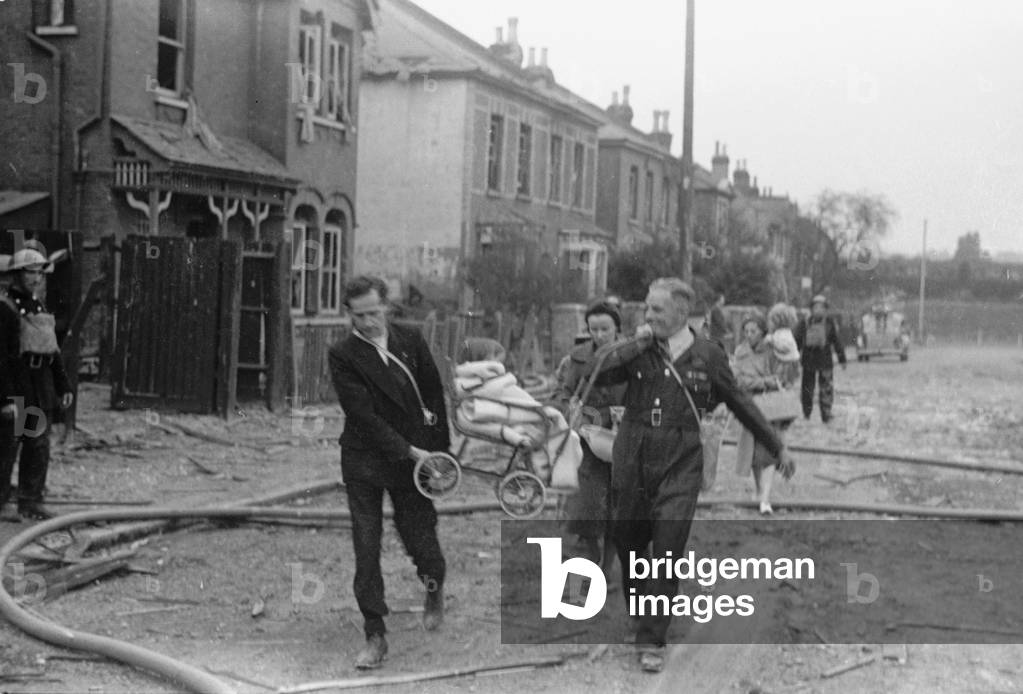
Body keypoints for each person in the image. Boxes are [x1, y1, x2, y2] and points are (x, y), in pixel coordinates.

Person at [585, 277, 794, 673]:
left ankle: (651, 639)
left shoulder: (708, 354)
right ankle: (641, 612)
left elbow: (740, 402)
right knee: (631, 545)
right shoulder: (636, 350)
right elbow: (598, 371)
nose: (649, 315)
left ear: (682, 312)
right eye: (647, 308)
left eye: (657, 309)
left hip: (680, 459)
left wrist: (777, 445)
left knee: (666, 549)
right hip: (633, 456)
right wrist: (632, 342)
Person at [327, 276, 450, 670]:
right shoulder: (343, 354)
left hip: (414, 460)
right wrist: (410, 450)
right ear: (349, 314)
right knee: (366, 545)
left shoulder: (410, 341)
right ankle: (375, 633)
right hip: (366, 458)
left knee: (421, 537)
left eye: (374, 313)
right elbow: (362, 415)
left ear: (387, 307)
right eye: (358, 316)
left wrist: (439, 456)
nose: (367, 323)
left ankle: (433, 587)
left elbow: (433, 396)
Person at [553, 300, 627, 575]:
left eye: (605, 329)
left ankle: (606, 570)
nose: (599, 335)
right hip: (588, 441)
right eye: (593, 329)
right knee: (585, 509)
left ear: (617, 329)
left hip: (623, 442)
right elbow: (561, 393)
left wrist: (628, 411)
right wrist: (572, 411)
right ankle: (585, 567)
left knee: (617, 513)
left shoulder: (630, 357)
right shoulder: (578, 357)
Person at [0, 248, 74, 522]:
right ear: (17, 275)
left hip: (37, 386)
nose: (36, 277)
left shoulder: (39, 307)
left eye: (40, 272)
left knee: (37, 444)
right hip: (17, 386)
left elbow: (51, 351)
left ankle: (30, 500)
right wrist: (6, 399)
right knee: (9, 445)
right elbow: (2, 359)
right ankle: (3, 502)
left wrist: (63, 385)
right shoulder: (6, 308)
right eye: (30, 271)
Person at [731, 311, 800, 515]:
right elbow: (739, 380)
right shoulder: (740, 352)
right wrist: (765, 382)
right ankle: (760, 491)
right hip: (748, 406)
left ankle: (765, 499)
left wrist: (767, 381)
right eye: (746, 331)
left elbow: (785, 373)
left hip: (770, 408)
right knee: (752, 455)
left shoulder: (772, 351)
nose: (749, 334)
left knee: (770, 451)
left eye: (754, 330)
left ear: (763, 332)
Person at [793, 294, 846, 423]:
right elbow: (797, 340)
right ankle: (816, 414)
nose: (818, 310)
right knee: (816, 388)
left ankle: (816, 414)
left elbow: (836, 341)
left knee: (816, 388)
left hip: (816, 360)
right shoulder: (823, 322)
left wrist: (842, 358)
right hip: (818, 360)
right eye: (816, 307)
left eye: (821, 307)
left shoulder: (809, 322)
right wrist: (842, 358)